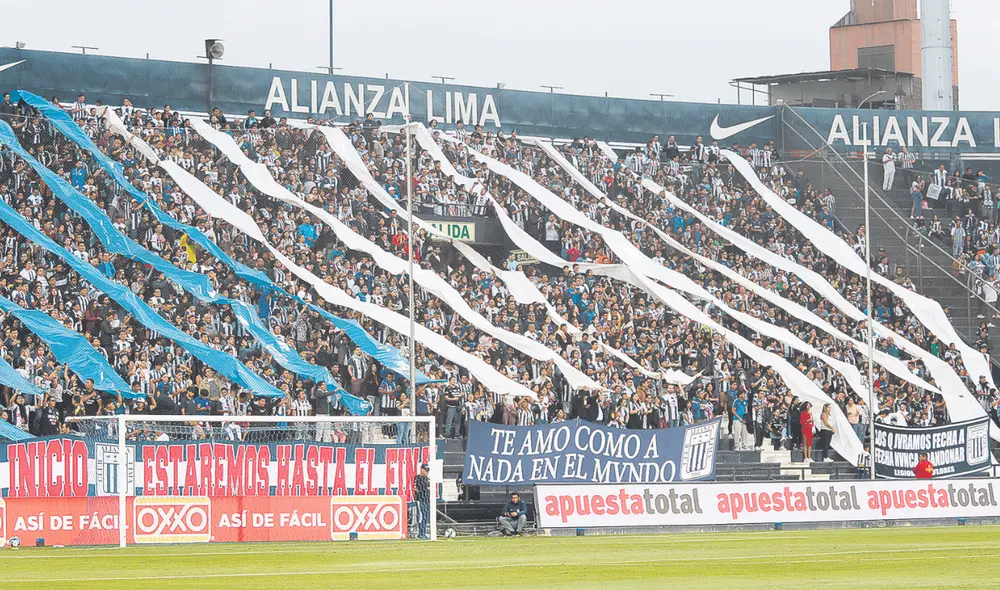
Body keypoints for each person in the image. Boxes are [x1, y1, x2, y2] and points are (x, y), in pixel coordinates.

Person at [413, 463, 431, 540]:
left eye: (427, 470)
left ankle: (423, 533)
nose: (426, 472)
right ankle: (420, 533)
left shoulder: (428, 479)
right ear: (421, 469)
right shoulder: (417, 478)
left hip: (426, 499)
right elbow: (416, 489)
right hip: (420, 499)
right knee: (421, 516)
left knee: (425, 517)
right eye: (425, 470)